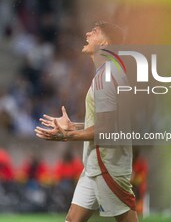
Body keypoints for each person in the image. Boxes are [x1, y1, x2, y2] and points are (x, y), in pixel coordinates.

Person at [35, 21, 138, 222]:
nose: (88, 34)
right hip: (96, 163)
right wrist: (74, 127)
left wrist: (68, 136)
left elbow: (106, 129)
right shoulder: (110, 72)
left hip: (107, 163)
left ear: (105, 42)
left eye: (95, 32)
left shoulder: (106, 76)